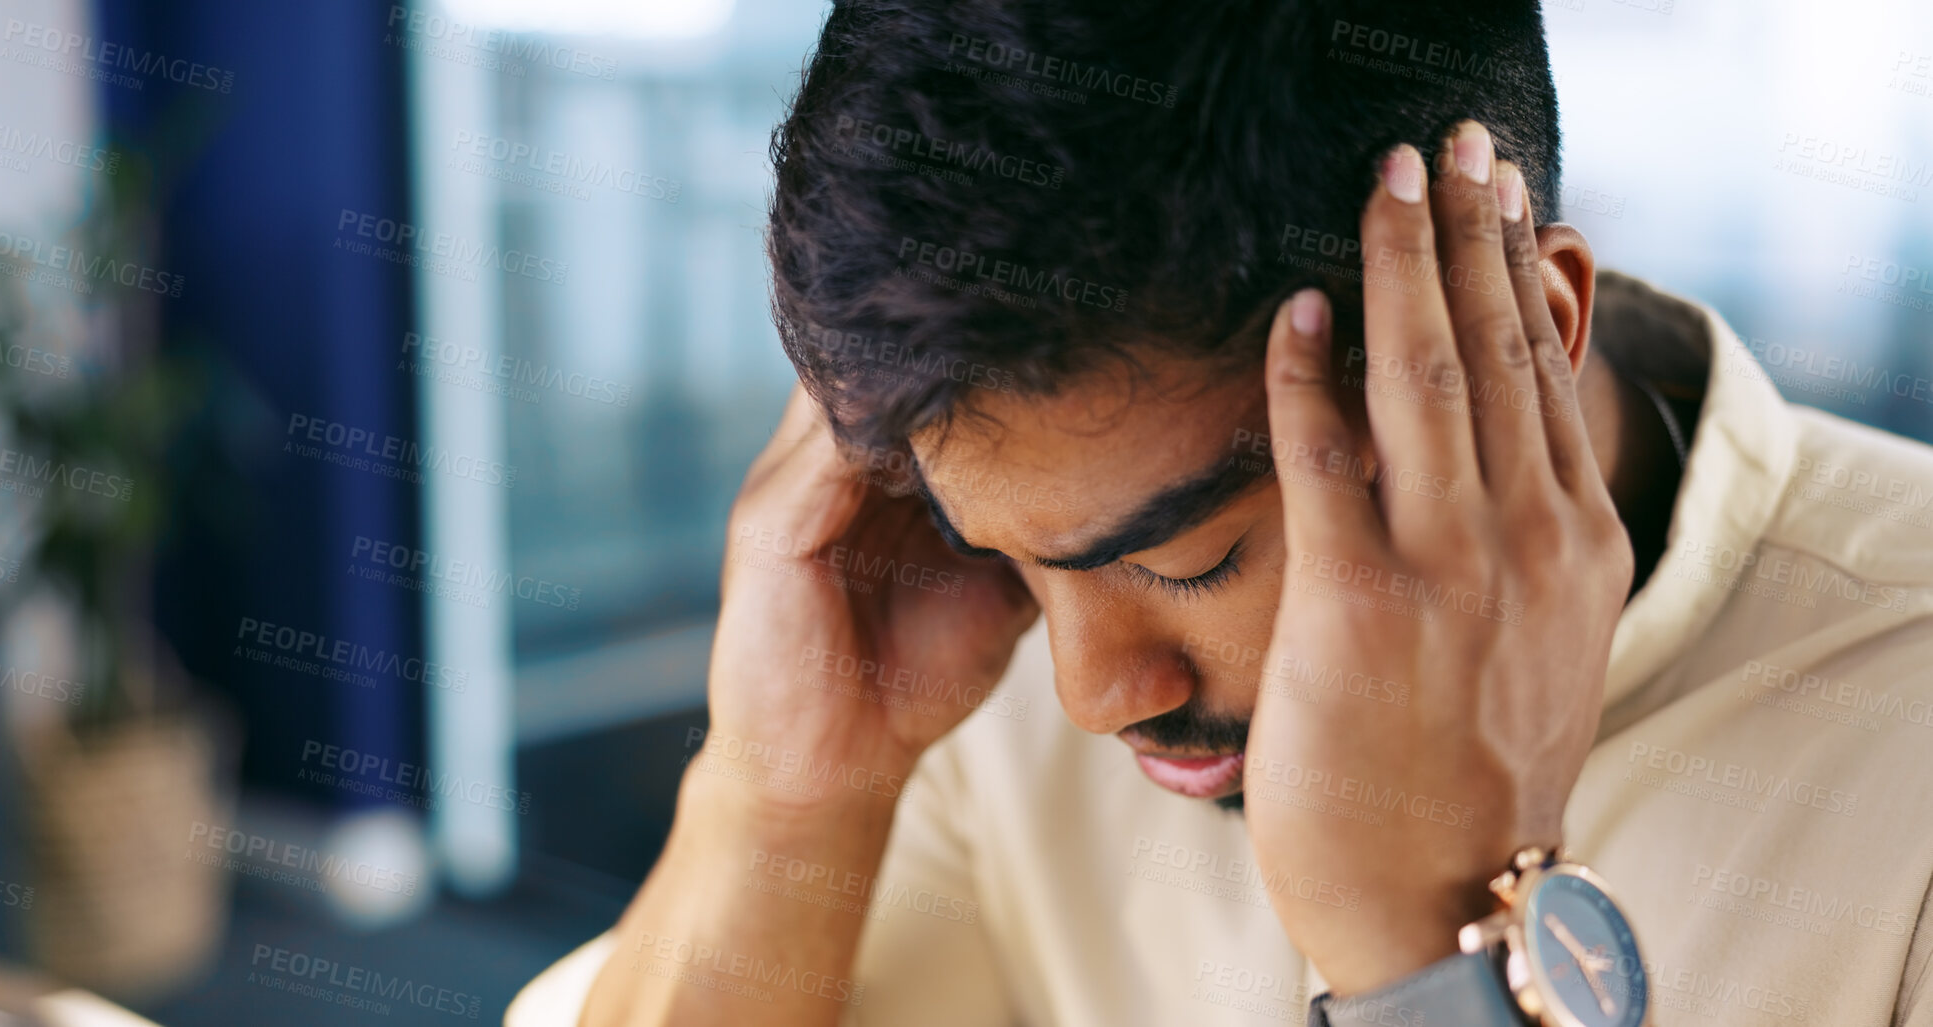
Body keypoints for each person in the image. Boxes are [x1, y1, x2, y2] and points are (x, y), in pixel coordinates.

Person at [511, 2, 1933, 1023]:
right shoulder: (964, 666)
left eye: (1192, 558)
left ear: (1529, 327)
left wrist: (1429, 959)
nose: (1090, 689)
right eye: (994, 547)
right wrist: (784, 799)